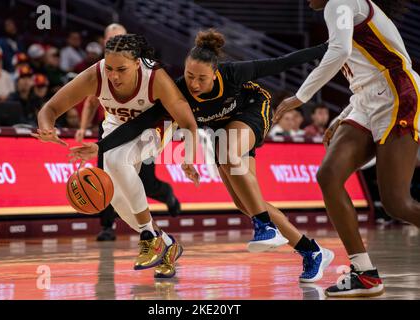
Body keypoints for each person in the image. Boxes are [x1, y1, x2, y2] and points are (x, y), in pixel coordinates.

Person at [72, 29, 336, 283]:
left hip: (254, 110)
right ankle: (311, 251)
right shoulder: (177, 91)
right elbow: (139, 123)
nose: (195, 84)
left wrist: (327, 48)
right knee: (247, 203)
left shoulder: (233, 72)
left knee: (231, 153)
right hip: (224, 129)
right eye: (189, 76)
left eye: (202, 78)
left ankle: (264, 227)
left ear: (215, 72)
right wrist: (102, 146)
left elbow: (284, 62)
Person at [273, 0, 420, 297]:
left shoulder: (339, 2)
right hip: (365, 103)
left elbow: (341, 52)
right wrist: (341, 117)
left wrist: (299, 97)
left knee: (397, 203)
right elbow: (364, 76)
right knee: (328, 176)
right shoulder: (343, 11)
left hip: (397, 95)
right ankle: (364, 273)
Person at [32, 34, 200, 279]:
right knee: (117, 199)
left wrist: (188, 156)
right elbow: (50, 108)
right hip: (115, 126)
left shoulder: (155, 78)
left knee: (115, 159)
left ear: (137, 63)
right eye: (109, 68)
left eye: (121, 69)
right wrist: (47, 127)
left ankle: (148, 236)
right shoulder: (96, 75)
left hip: (155, 126)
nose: (114, 76)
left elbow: (188, 122)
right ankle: (167, 245)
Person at [75, 24, 181, 242]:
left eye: (120, 38)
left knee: (146, 182)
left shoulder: (149, 73)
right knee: (106, 183)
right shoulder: (101, 71)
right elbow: (90, 102)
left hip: (147, 130)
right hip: (113, 130)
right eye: (111, 39)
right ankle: (111, 227)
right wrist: (82, 128)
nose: (115, 42)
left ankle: (166, 197)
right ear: (105, 42)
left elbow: (177, 109)